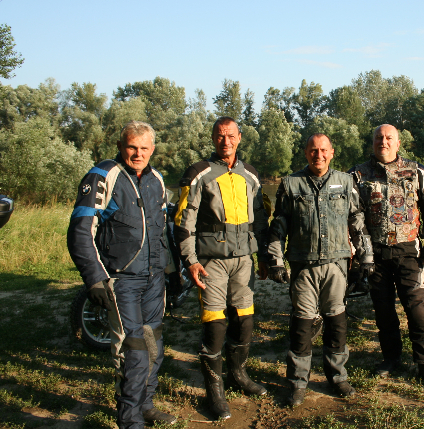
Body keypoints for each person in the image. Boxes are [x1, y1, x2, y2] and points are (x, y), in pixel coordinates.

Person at [67, 121, 176, 428]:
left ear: (152, 149)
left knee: (153, 345)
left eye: (144, 148)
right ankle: (130, 420)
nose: (138, 154)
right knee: (134, 351)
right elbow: (80, 230)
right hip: (122, 278)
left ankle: (145, 405)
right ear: (120, 146)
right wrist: (95, 278)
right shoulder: (104, 175)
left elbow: (163, 231)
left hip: (154, 277)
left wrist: (172, 271)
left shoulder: (156, 179)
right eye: (132, 147)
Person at [266, 133, 374, 407]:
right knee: (302, 326)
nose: (319, 155)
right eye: (313, 150)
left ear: (332, 152)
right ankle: (297, 382)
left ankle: (337, 377)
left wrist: (367, 258)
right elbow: (279, 224)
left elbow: (357, 221)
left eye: (323, 150)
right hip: (303, 266)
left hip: (337, 266)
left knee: (337, 323)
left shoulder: (346, 182)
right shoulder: (290, 184)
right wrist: (275, 261)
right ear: (306, 152)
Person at [173, 117, 269, 420]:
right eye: (219, 136)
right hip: (210, 262)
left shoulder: (250, 174)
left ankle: (238, 375)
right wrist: (190, 260)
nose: (225, 141)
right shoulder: (198, 173)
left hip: (244, 261)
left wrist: (265, 257)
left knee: (244, 320)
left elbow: (261, 219)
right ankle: (214, 392)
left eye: (230, 135)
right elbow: (183, 221)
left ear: (239, 137)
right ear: (213, 139)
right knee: (214, 325)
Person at [349, 124, 424, 388]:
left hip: (408, 251)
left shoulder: (417, 171)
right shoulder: (356, 174)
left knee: (417, 308)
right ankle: (391, 358)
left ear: (398, 143)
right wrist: (357, 251)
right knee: (383, 309)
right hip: (374, 253)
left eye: (389, 138)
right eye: (378, 138)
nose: (383, 141)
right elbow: (352, 215)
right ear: (372, 142)